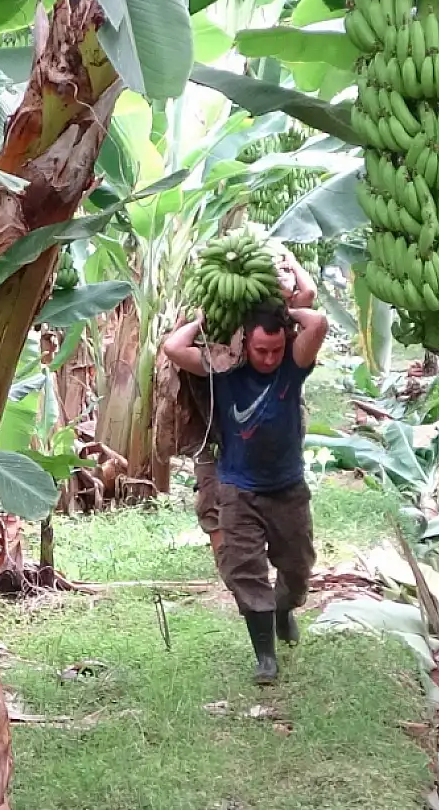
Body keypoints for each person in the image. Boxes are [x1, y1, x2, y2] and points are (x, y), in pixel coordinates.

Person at [162, 281, 327, 685]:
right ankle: (265, 658)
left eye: (275, 349)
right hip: (239, 487)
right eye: (260, 350)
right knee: (244, 568)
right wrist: (200, 321)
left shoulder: (293, 365)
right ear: (243, 345)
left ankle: (285, 609)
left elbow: (318, 322)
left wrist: (287, 316)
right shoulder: (225, 369)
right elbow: (173, 349)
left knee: (298, 565)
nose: (269, 358)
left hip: (287, 487)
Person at [182, 253, 317, 570]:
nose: (269, 355)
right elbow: (175, 349)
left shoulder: (276, 337)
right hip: (214, 427)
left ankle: (241, 571)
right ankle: (234, 574)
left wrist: (292, 268)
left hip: (263, 443)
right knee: (212, 500)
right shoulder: (218, 352)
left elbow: (308, 296)